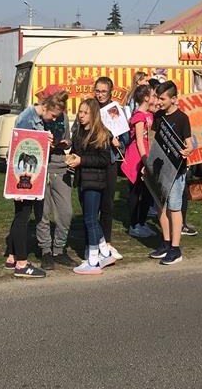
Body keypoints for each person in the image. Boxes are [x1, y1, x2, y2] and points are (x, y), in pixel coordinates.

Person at [3, 85, 69, 278]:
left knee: (20, 215)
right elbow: (20, 145)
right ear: (45, 106)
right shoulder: (27, 117)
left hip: (27, 175)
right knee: (23, 216)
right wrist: (41, 141)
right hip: (23, 176)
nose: (55, 119)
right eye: (54, 115)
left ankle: (12, 256)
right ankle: (22, 264)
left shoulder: (38, 118)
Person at [67, 98, 117, 274]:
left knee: (89, 219)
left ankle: (93, 260)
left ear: (93, 114)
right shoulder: (79, 132)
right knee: (91, 219)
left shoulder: (100, 133)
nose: (81, 116)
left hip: (95, 182)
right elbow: (77, 152)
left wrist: (82, 160)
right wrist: (72, 156)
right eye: (80, 112)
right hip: (82, 180)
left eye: (85, 113)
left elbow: (103, 160)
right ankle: (104, 252)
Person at [147, 81, 193, 265]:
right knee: (161, 206)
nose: (158, 101)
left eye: (162, 98)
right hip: (160, 169)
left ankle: (175, 249)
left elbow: (189, 143)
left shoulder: (182, 118)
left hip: (176, 170)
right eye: (157, 97)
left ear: (174, 99)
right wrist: (148, 163)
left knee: (175, 207)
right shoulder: (158, 116)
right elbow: (152, 139)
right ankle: (166, 243)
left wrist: (188, 150)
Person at [90, 76, 126, 258]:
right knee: (91, 206)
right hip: (91, 162)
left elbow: (125, 138)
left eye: (104, 91)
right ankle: (92, 244)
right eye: (97, 90)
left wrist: (118, 142)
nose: (100, 94)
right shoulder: (89, 108)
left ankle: (107, 242)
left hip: (110, 161)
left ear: (110, 92)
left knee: (107, 204)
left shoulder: (115, 110)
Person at [125, 85, 157, 238]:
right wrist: (145, 159)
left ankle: (142, 222)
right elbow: (139, 140)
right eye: (153, 95)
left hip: (148, 155)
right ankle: (134, 224)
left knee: (147, 192)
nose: (155, 98)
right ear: (146, 98)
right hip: (138, 158)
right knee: (135, 192)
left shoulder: (150, 114)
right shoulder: (139, 116)